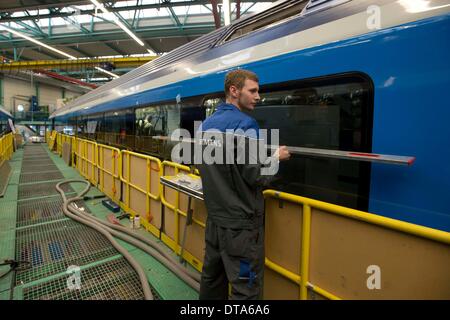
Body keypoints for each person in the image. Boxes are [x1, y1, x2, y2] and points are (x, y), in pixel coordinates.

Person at [197, 69, 290, 300]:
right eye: (253, 91)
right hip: (242, 230)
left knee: (212, 280)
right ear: (234, 91)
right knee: (245, 287)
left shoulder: (205, 126)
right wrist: (276, 159)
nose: (258, 96)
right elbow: (256, 176)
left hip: (215, 223)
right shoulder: (246, 125)